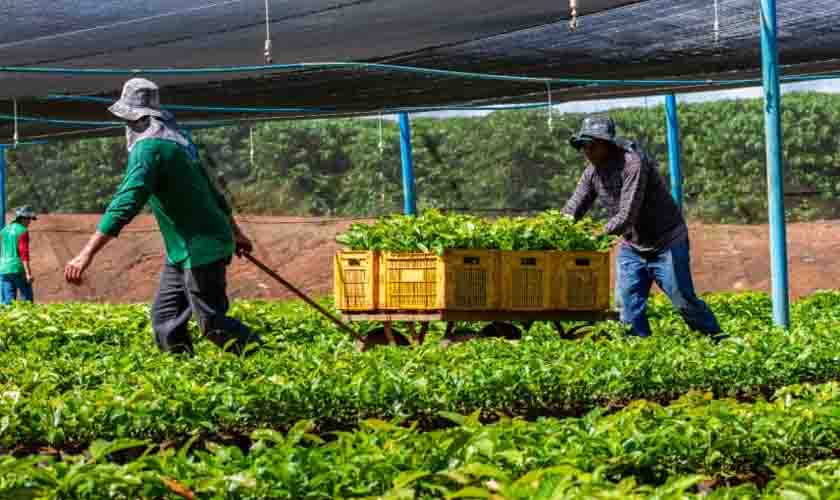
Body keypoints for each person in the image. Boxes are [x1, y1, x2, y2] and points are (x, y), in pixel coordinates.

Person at [64, 78, 262, 355]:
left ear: (135, 118)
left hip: (200, 247)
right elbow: (212, 190)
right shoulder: (179, 140)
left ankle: (263, 360)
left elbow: (126, 202)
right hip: (183, 248)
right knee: (165, 320)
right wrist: (234, 232)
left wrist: (86, 254)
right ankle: (182, 380)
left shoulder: (150, 148)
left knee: (212, 322)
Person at [561, 115, 725, 341]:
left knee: (683, 301)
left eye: (591, 145)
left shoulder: (633, 164)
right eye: (582, 146)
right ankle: (639, 350)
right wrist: (558, 228)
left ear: (606, 144)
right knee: (626, 305)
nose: (586, 151)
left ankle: (717, 341)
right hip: (633, 245)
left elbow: (627, 215)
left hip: (666, 242)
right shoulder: (592, 172)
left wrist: (595, 236)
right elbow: (575, 204)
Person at [0, 206, 37, 305]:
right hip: (17, 268)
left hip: (4, 268)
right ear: (23, 218)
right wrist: (28, 273)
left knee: (8, 302)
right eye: (29, 219)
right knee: (27, 299)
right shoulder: (22, 231)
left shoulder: (4, 230)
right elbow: (24, 253)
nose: (30, 222)